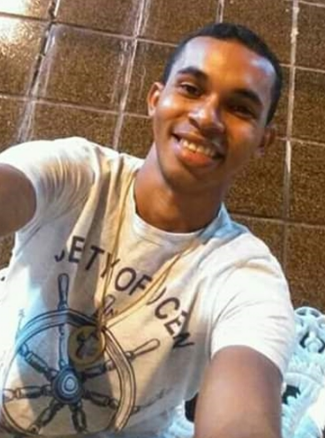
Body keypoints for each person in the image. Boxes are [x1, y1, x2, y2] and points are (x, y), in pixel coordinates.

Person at [0, 22, 295, 438]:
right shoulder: (77, 174)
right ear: (156, 99)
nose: (206, 117)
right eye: (191, 89)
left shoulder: (245, 275)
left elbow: (243, 409)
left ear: (264, 140)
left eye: (240, 109)